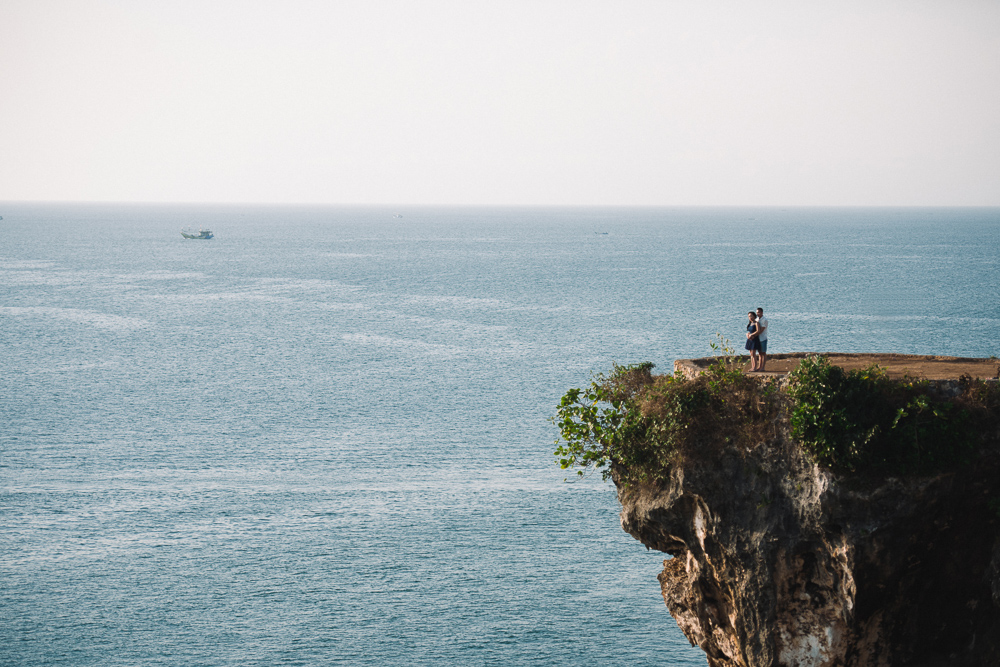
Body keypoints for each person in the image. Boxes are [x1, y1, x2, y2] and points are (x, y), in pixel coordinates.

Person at [756, 307, 769, 372]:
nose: (757, 313)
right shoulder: (757, 319)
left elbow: (762, 329)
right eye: (757, 312)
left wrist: (755, 334)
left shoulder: (764, 320)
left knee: (763, 353)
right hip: (758, 338)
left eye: (758, 312)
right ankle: (759, 366)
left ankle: (763, 367)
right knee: (759, 353)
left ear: (762, 312)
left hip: (763, 338)